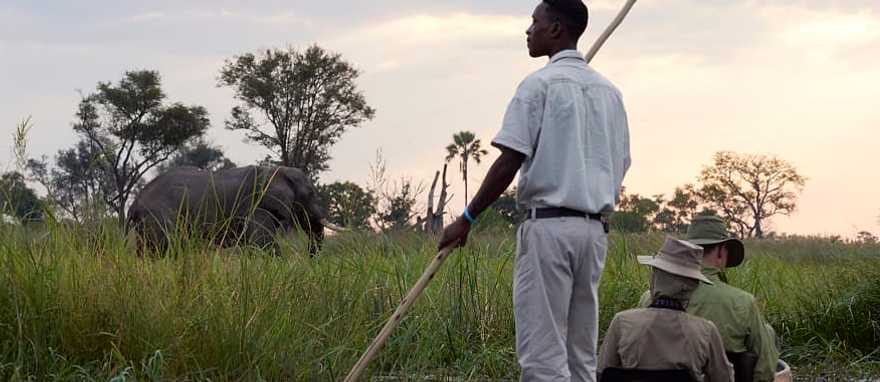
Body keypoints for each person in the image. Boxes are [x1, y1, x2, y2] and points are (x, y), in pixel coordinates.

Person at [438, 0, 631, 380]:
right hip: (593, 233)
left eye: (535, 22)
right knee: (580, 356)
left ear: (556, 29)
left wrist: (467, 218)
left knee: (543, 353)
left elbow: (509, 161)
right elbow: (621, 164)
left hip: (550, 231)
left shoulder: (537, 85)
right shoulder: (610, 93)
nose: (528, 30)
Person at [638, 215, 780, 382]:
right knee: (767, 333)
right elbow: (765, 367)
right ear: (721, 251)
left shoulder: (648, 299)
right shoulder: (743, 302)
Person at [598, 237, 733, 381]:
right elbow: (724, 378)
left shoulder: (622, 323)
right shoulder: (705, 332)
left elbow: (602, 373)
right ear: (693, 285)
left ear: (655, 278)